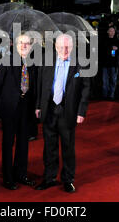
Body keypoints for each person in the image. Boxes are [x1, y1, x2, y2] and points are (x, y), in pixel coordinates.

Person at [35, 34, 90, 193]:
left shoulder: (81, 63)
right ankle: (49, 177)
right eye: (61, 47)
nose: (64, 50)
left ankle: (68, 179)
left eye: (68, 47)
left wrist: (81, 111)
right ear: (55, 47)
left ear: (73, 47)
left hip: (69, 111)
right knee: (49, 147)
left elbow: (86, 88)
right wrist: (38, 105)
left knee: (68, 147)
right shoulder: (46, 61)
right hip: (49, 109)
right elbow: (41, 84)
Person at [0, 33, 37, 190]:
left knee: (23, 142)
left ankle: (21, 173)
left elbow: (34, 85)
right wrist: (10, 97)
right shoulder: (7, 60)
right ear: (15, 45)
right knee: (8, 143)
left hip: (25, 108)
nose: (24, 46)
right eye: (21, 43)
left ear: (31, 46)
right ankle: (8, 177)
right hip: (10, 108)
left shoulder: (32, 63)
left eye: (27, 44)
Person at [102, 26, 119, 100]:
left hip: (114, 64)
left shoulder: (117, 41)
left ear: (115, 32)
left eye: (113, 31)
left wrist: (117, 48)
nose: (111, 32)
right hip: (105, 63)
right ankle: (105, 95)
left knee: (113, 80)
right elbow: (102, 50)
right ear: (108, 32)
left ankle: (111, 95)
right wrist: (111, 47)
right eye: (110, 31)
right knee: (105, 81)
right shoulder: (104, 40)